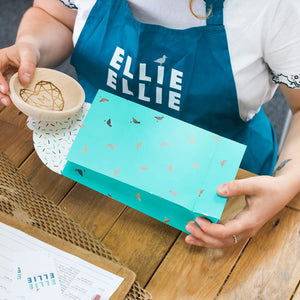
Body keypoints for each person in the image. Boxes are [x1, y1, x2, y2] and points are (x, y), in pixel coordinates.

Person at [1, 0, 300, 248]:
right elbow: (56, 15)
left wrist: (287, 182)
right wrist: (31, 46)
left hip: (217, 209)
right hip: (90, 173)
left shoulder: (275, 6)